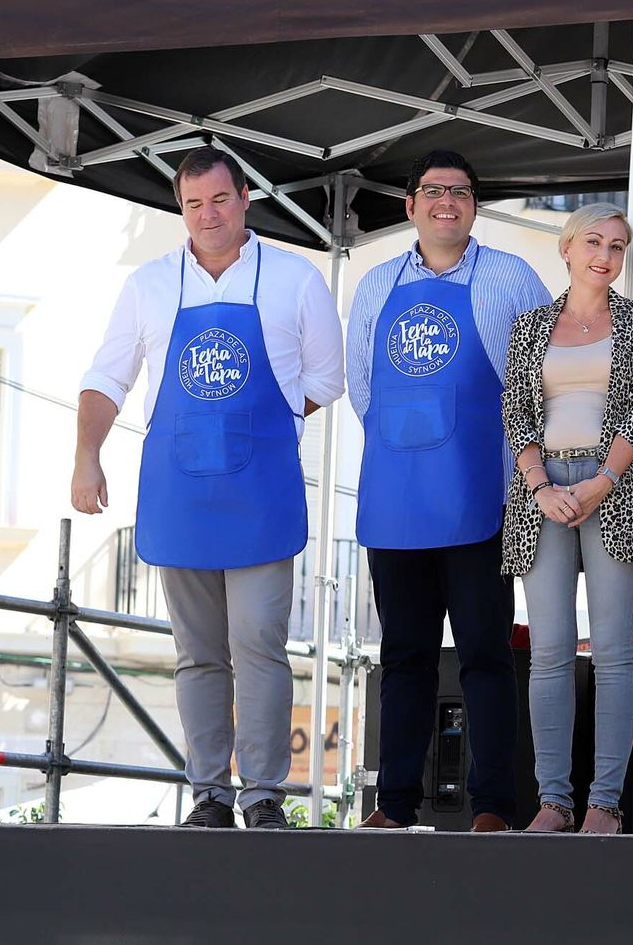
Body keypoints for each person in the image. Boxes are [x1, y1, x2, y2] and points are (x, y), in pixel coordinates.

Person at [72, 146, 345, 829]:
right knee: (197, 653)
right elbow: (108, 378)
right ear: (180, 208)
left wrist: (262, 421)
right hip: (181, 491)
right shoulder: (149, 284)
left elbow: (326, 376)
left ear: (245, 196)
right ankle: (208, 795)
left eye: (219, 200)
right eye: (193, 204)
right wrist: (87, 456)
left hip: (260, 493)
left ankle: (262, 793)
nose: (207, 215)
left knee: (257, 640)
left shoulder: (294, 278)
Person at [347, 150, 550, 832]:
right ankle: (393, 804)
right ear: (409, 205)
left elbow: (539, 378)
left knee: (487, 657)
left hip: (479, 497)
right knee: (402, 659)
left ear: (474, 205)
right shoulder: (374, 284)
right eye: (432, 190)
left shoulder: (512, 276)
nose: (446, 202)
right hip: (396, 501)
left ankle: (493, 805)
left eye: (460, 192)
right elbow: (363, 389)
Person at [500, 205, 633, 834]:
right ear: (567, 249)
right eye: (594, 241)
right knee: (548, 654)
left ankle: (604, 805)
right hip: (541, 493)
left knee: (615, 654)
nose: (606, 254)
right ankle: (553, 802)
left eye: (618, 246)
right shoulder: (532, 325)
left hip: (614, 488)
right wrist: (540, 484)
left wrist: (602, 481)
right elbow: (516, 410)